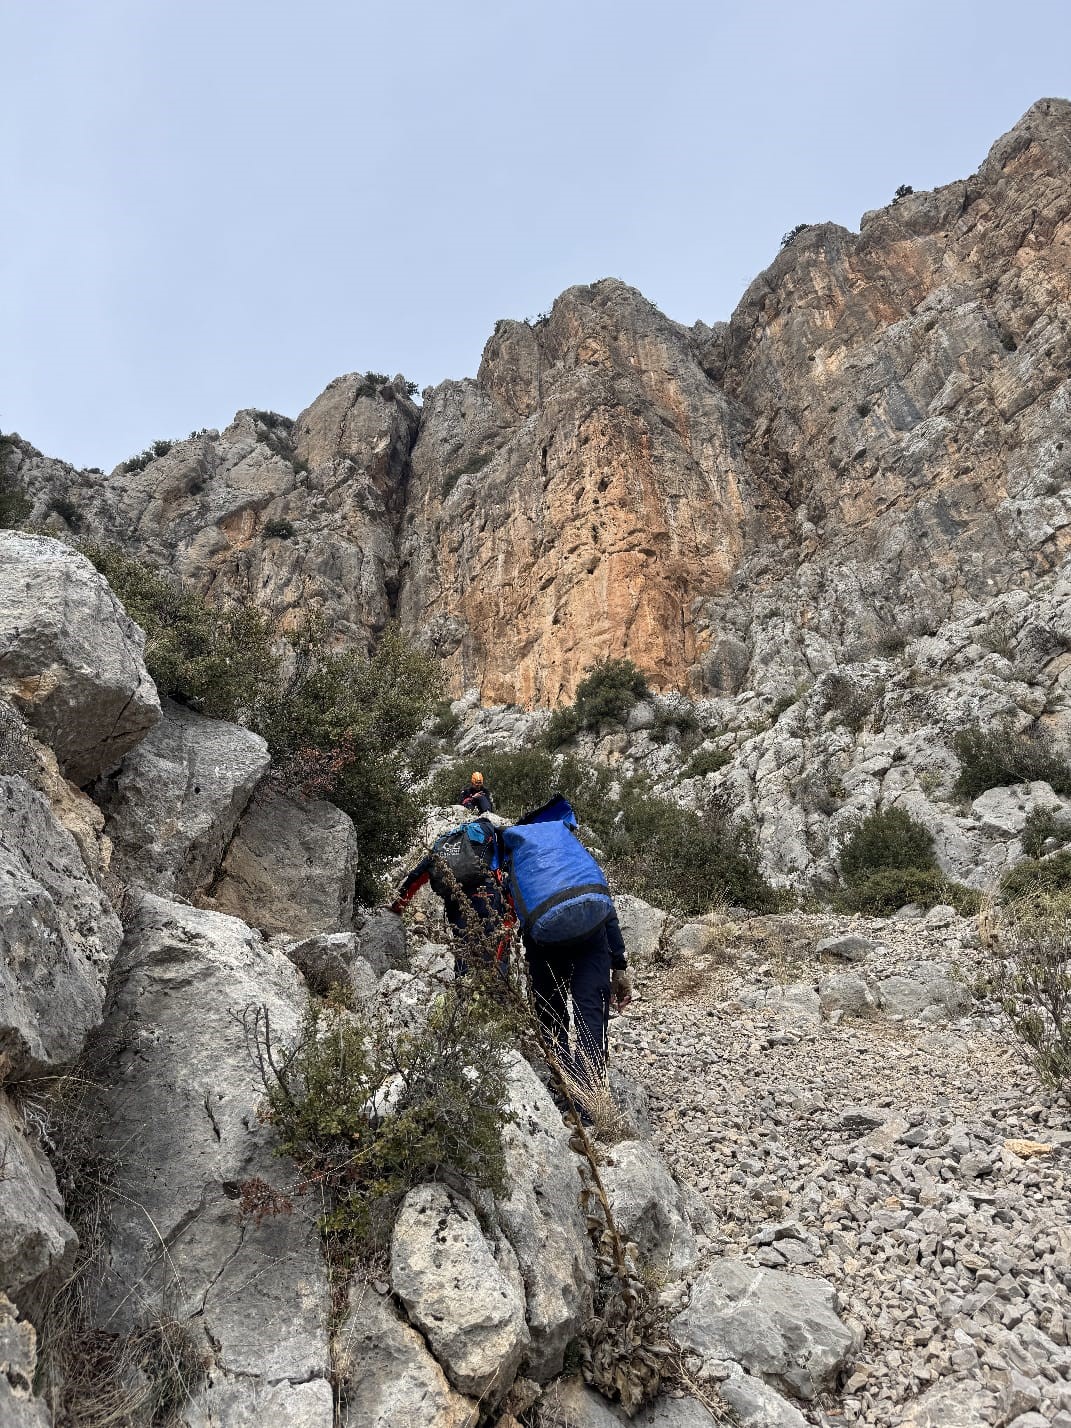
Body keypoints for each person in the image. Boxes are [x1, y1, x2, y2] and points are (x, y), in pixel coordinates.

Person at [524, 902, 632, 1096]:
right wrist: (619, 965)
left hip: (542, 940)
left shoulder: (521, 869)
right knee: (590, 1015)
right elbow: (605, 906)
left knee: (550, 1013)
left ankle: (565, 1084)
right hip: (591, 934)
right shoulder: (582, 871)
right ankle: (590, 1100)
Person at [390, 816, 510, 974]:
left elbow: (419, 873)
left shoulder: (447, 841)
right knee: (494, 944)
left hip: (455, 899)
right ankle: (498, 991)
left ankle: (464, 990)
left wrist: (398, 905)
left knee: (463, 946)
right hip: (485, 894)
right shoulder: (490, 832)